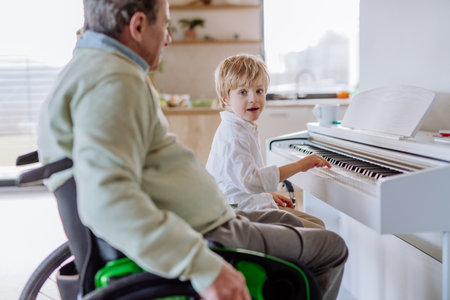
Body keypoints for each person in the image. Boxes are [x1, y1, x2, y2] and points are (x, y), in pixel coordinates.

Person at [37, 0, 347, 299]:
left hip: (213, 219)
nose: (168, 38)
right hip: (210, 235)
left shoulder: (90, 69)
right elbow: (106, 201)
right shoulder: (113, 81)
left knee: (295, 222)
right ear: (139, 25)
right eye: (166, 25)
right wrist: (203, 266)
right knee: (331, 246)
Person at [206, 54, 327, 228]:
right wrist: (300, 165)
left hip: (246, 204)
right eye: (243, 92)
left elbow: (244, 180)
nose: (253, 98)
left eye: (259, 91)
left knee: (317, 223)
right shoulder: (233, 134)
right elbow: (251, 180)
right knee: (319, 235)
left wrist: (267, 195)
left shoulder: (241, 126)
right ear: (226, 99)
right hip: (240, 214)